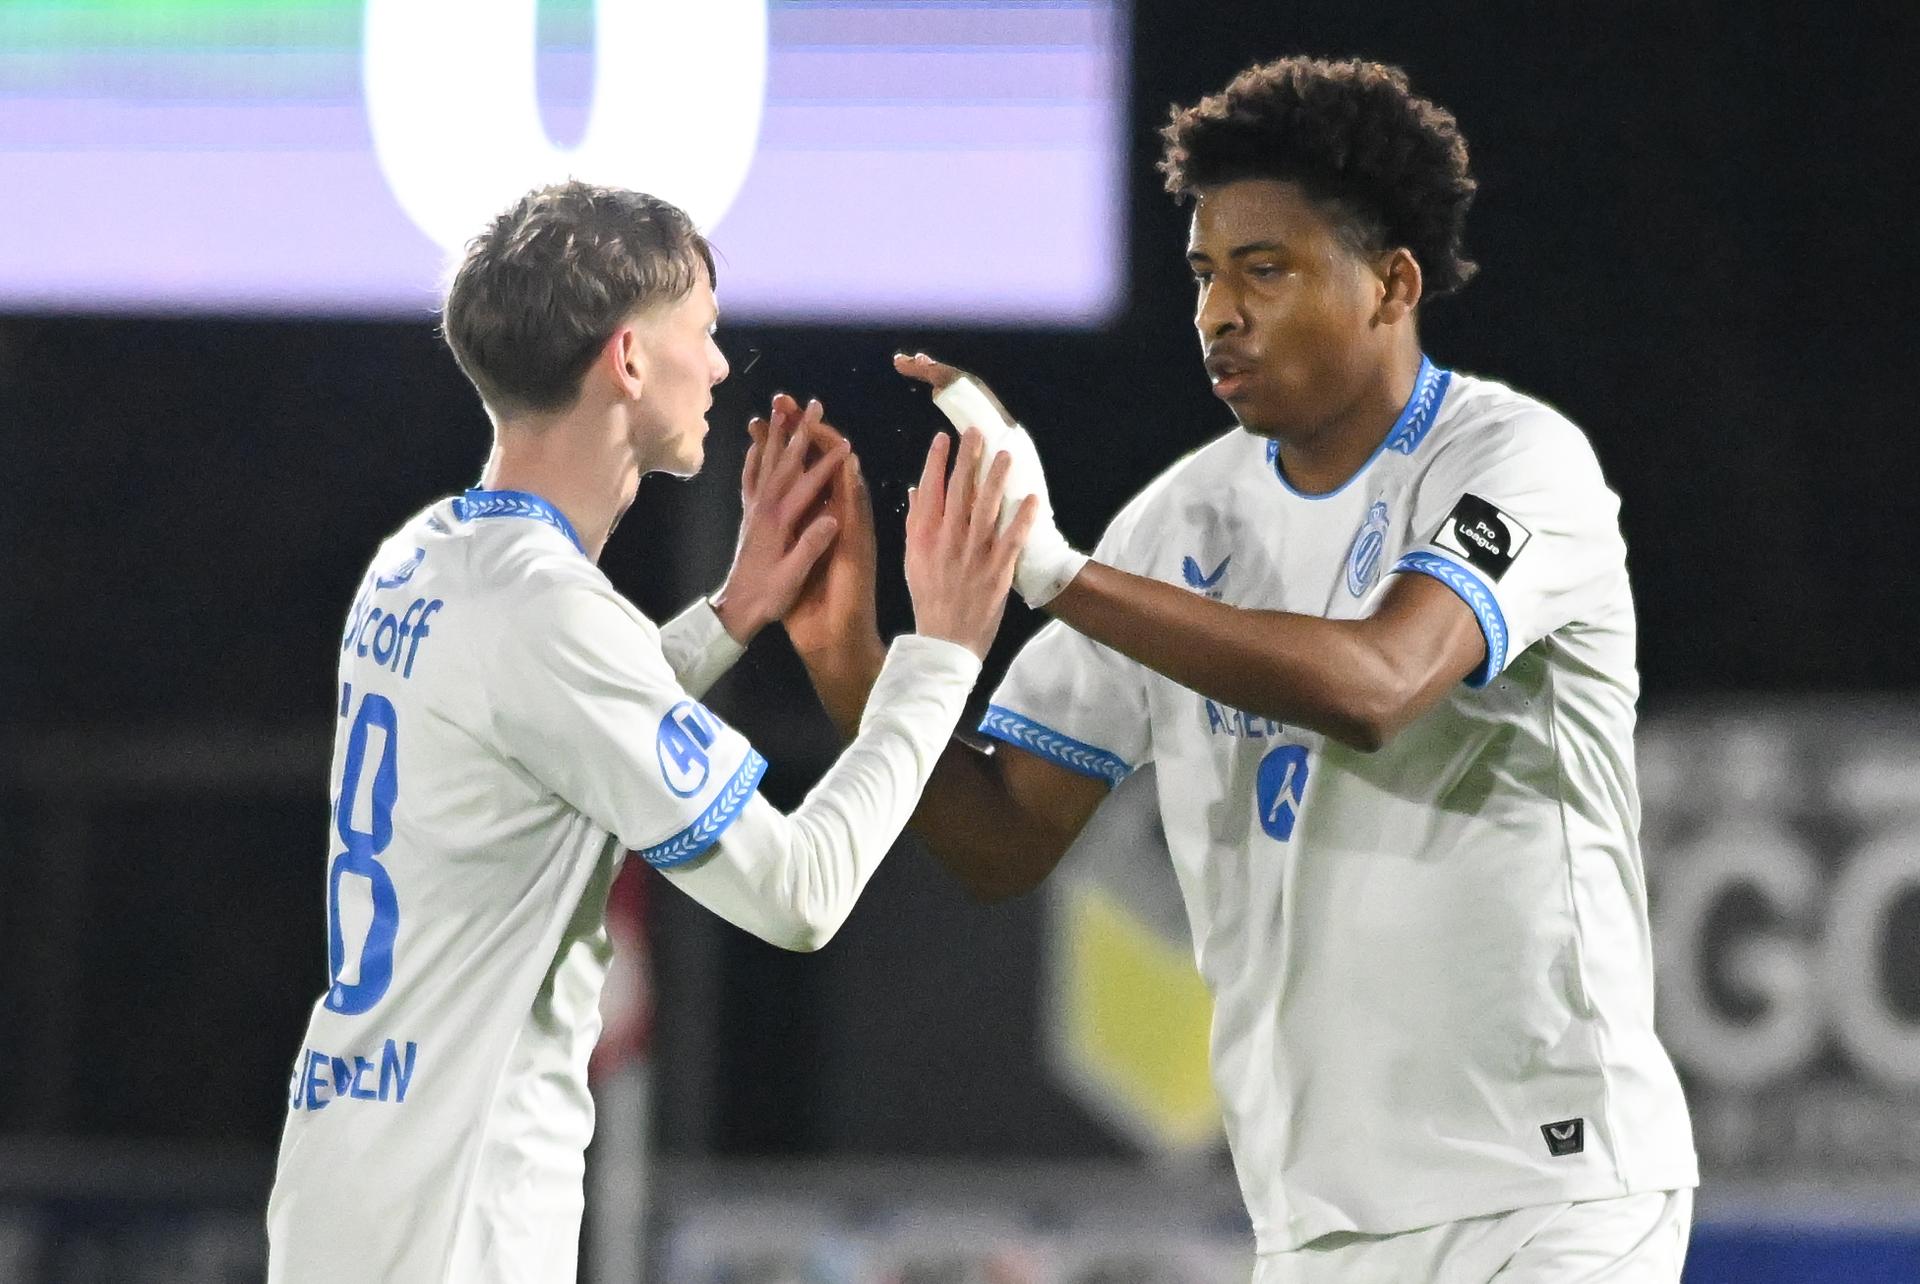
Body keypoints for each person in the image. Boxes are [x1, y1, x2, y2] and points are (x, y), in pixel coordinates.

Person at [791, 57, 1698, 1282]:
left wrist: (1058, 577)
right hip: (1314, 1223)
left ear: (1392, 285)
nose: (1219, 311)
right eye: (1204, 275)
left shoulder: (1516, 462)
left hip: (1549, 1196)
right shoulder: (1176, 523)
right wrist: (849, 659)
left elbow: (1378, 686)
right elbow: (1002, 840)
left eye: (1265, 270)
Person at [264, 181, 1032, 1283]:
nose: (719, 366)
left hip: (347, 1178)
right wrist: (940, 660)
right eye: (703, 332)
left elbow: (546, 735)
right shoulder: (546, 612)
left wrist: (731, 614)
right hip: (457, 1222)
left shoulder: (423, 557)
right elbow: (799, 892)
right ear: (627, 359)